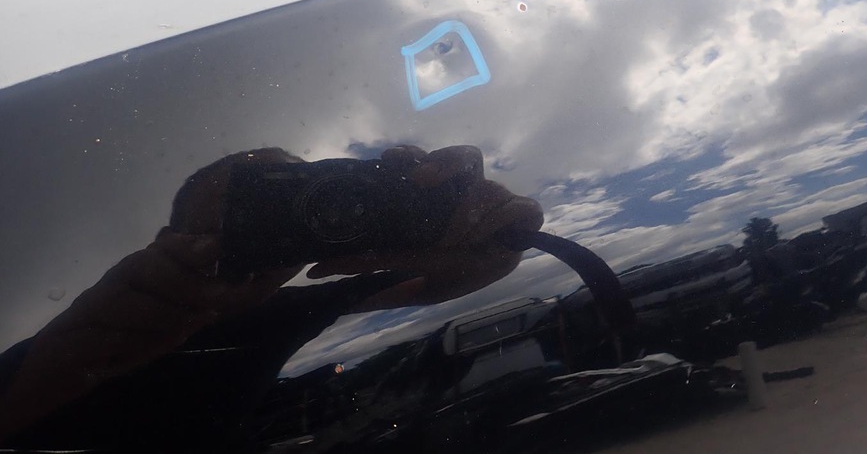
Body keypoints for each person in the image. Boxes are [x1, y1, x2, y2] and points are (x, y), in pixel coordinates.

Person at [0, 144, 543, 450]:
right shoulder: (82, 333)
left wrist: (488, 244)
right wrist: (74, 357)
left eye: (294, 201)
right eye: (252, 210)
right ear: (167, 240)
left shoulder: (280, 312)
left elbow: (427, 289)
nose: (284, 224)